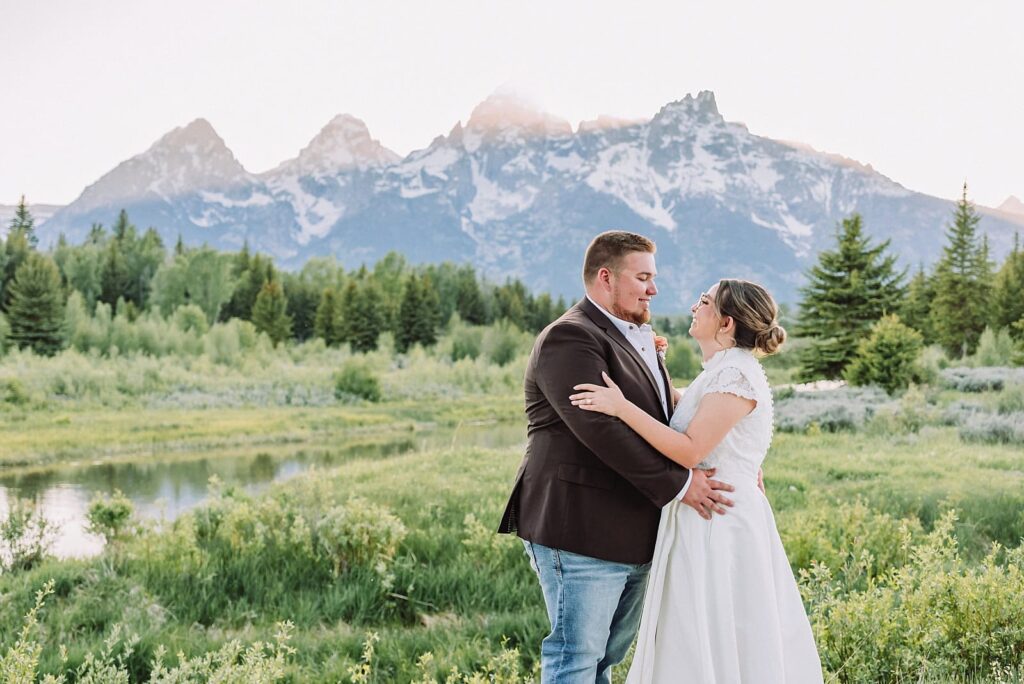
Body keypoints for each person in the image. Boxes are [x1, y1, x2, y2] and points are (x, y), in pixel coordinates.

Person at [497, 231, 736, 683]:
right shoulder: (569, 338)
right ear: (606, 277)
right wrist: (682, 486)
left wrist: (731, 460)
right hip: (580, 529)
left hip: (634, 530)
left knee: (604, 662)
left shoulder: (636, 336)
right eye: (643, 277)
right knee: (576, 660)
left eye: (653, 277)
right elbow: (601, 431)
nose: (654, 289)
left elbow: (667, 415)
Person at [569, 279, 823, 683]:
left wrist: (620, 408)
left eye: (703, 301)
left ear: (725, 323)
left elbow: (689, 448)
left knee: (713, 631)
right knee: (694, 632)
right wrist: (656, 368)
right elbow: (689, 413)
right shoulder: (723, 370)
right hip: (703, 517)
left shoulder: (737, 374)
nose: (693, 307)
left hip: (718, 524)